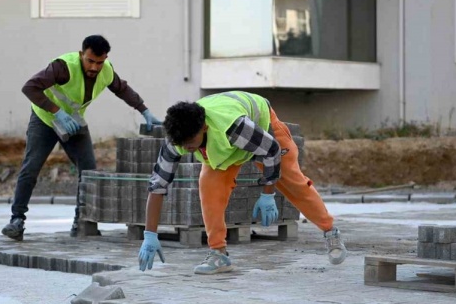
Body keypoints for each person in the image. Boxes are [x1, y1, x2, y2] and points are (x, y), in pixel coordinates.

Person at [137, 91, 347, 274]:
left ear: (204, 128)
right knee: (209, 189)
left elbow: (271, 150)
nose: (186, 149)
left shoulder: (235, 127)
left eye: (190, 143)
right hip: (226, 148)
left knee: (292, 181)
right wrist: (150, 234)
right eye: (182, 145)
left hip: (262, 131)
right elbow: (157, 185)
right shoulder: (177, 138)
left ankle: (330, 232)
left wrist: (267, 193)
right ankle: (218, 255)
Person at [2, 35, 163, 241]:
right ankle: (17, 221)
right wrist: (56, 111)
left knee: (88, 171)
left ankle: (81, 222)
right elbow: (30, 87)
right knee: (31, 167)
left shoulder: (106, 71)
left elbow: (122, 89)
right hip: (45, 119)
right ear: (81, 55)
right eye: (90, 61)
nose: (95, 67)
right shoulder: (63, 67)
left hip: (75, 122)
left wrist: (144, 110)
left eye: (99, 62)